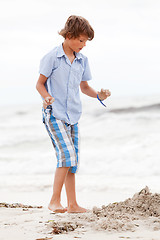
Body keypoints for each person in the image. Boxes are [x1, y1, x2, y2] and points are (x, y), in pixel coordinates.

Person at [36, 15, 111, 213]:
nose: (84, 45)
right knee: (66, 155)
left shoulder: (82, 61)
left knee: (73, 160)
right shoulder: (52, 57)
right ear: (69, 36)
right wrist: (46, 97)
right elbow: (40, 84)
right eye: (81, 40)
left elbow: (84, 87)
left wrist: (99, 95)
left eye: (86, 41)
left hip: (73, 116)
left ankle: (72, 204)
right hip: (54, 114)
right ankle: (54, 200)